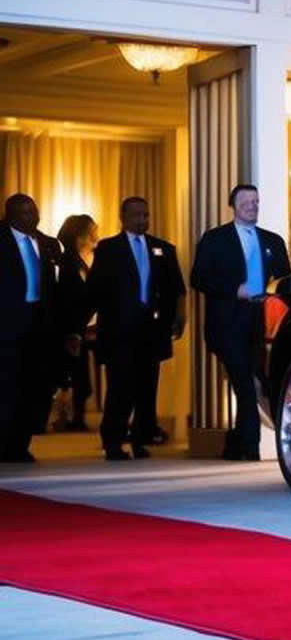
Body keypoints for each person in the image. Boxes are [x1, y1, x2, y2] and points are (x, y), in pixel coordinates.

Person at [190, 184, 290, 461]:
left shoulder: (273, 241)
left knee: (257, 384)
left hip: (264, 326)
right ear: (233, 205)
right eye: (246, 202)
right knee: (244, 382)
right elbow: (198, 277)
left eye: (256, 201)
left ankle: (238, 444)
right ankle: (250, 445)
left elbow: (285, 281)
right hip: (228, 324)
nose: (252, 206)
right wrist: (235, 290)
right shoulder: (215, 238)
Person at [91, 197, 187, 460]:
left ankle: (141, 438)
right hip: (119, 331)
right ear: (123, 217)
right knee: (120, 387)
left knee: (147, 387)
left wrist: (179, 317)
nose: (142, 219)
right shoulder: (108, 249)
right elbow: (95, 290)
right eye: (136, 215)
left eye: (146, 214)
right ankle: (112, 441)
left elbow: (177, 288)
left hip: (151, 330)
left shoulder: (163, 249)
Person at [2, 194, 60, 462]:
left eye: (34, 211)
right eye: (26, 212)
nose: (33, 216)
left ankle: (20, 444)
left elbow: (58, 289)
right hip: (7, 327)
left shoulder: (47, 244)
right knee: (7, 388)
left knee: (33, 388)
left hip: (40, 328)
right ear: (11, 215)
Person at [53, 214, 98, 432]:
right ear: (80, 235)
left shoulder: (80, 261)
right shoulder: (66, 263)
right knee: (73, 378)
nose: (95, 235)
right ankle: (71, 418)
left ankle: (75, 418)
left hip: (80, 328)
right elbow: (67, 300)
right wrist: (74, 331)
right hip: (69, 329)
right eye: (92, 231)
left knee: (80, 378)